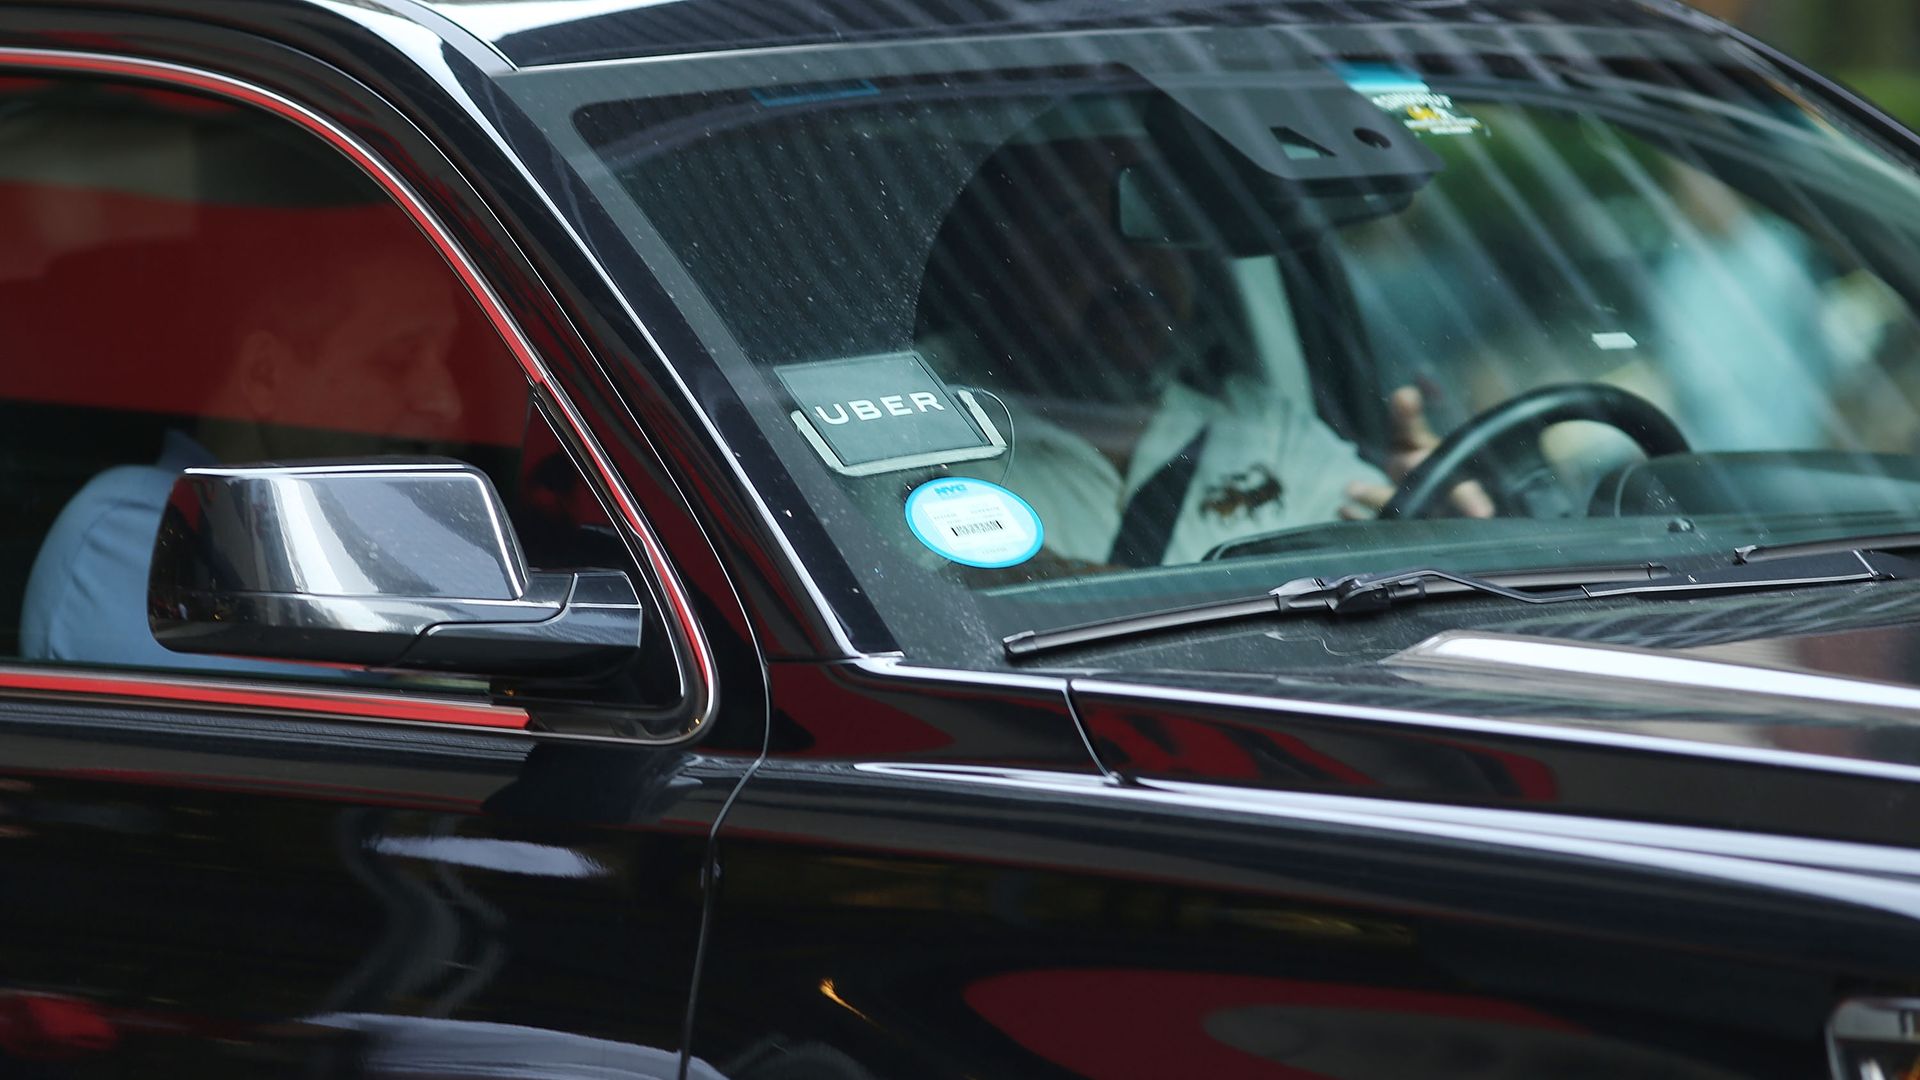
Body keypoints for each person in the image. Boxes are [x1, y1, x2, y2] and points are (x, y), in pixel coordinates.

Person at [917, 140, 1489, 571]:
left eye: (1153, 221)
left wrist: (1442, 530)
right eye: (1076, 231)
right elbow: (933, 595)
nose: (1130, 266)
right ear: (991, 265)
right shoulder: (920, 425)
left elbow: (1379, 558)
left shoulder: (1260, 424)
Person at [19, 218, 468, 670]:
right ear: (264, 376)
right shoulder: (137, 529)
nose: (446, 401)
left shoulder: (366, 535)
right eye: (397, 360)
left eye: (451, 359)